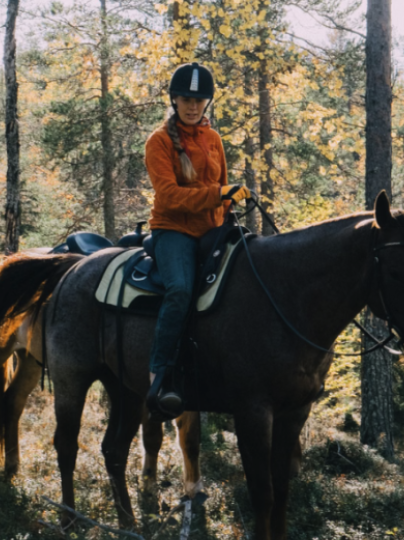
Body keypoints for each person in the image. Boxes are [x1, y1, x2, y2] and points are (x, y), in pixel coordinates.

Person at [144, 63, 251, 417]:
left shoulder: (214, 139)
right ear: (174, 100)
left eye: (200, 100)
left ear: (207, 103)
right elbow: (170, 196)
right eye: (187, 99)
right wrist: (219, 194)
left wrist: (230, 201)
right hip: (173, 231)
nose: (193, 106)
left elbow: (218, 188)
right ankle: (159, 373)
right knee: (180, 290)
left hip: (213, 229)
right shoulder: (158, 142)